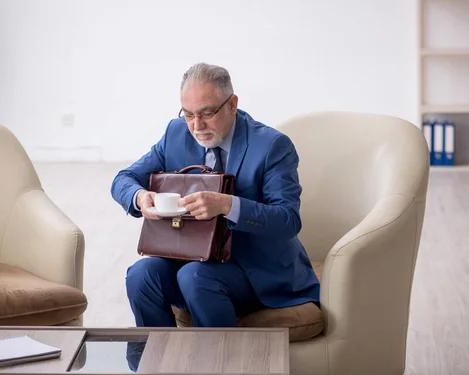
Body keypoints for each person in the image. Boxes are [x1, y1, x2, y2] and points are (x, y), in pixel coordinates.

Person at [110, 62, 319, 328]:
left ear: (232, 104)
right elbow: (123, 180)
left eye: (207, 113)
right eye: (188, 114)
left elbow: (288, 220)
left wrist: (228, 205)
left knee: (195, 277)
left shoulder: (272, 146)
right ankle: (156, 363)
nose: (196, 126)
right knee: (141, 274)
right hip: (191, 258)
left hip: (254, 272)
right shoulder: (175, 133)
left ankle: (219, 367)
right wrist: (140, 197)